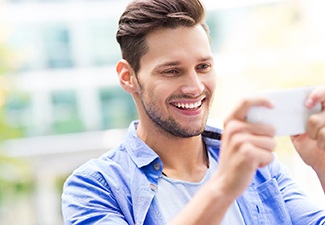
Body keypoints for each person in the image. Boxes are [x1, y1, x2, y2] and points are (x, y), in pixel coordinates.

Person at [61, 0, 325, 224]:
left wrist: (322, 163)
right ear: (128, 76)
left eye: (203, 67)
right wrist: (222, 189)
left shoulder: (257, 165)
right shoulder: (94, 187)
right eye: (171, 71)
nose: (194, 87)